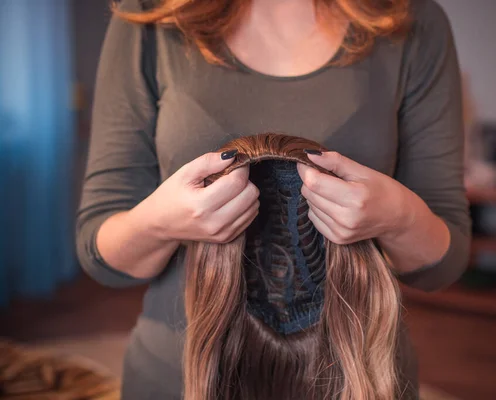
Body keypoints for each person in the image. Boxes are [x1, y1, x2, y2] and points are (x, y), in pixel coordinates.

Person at [76, 0, 471, 398]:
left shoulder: (410, 19)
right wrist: (159, 222)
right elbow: (102, 255)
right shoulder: (149, 16)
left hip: (359, 380)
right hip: (182, 380)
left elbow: (443, 265)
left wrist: (398, 218)